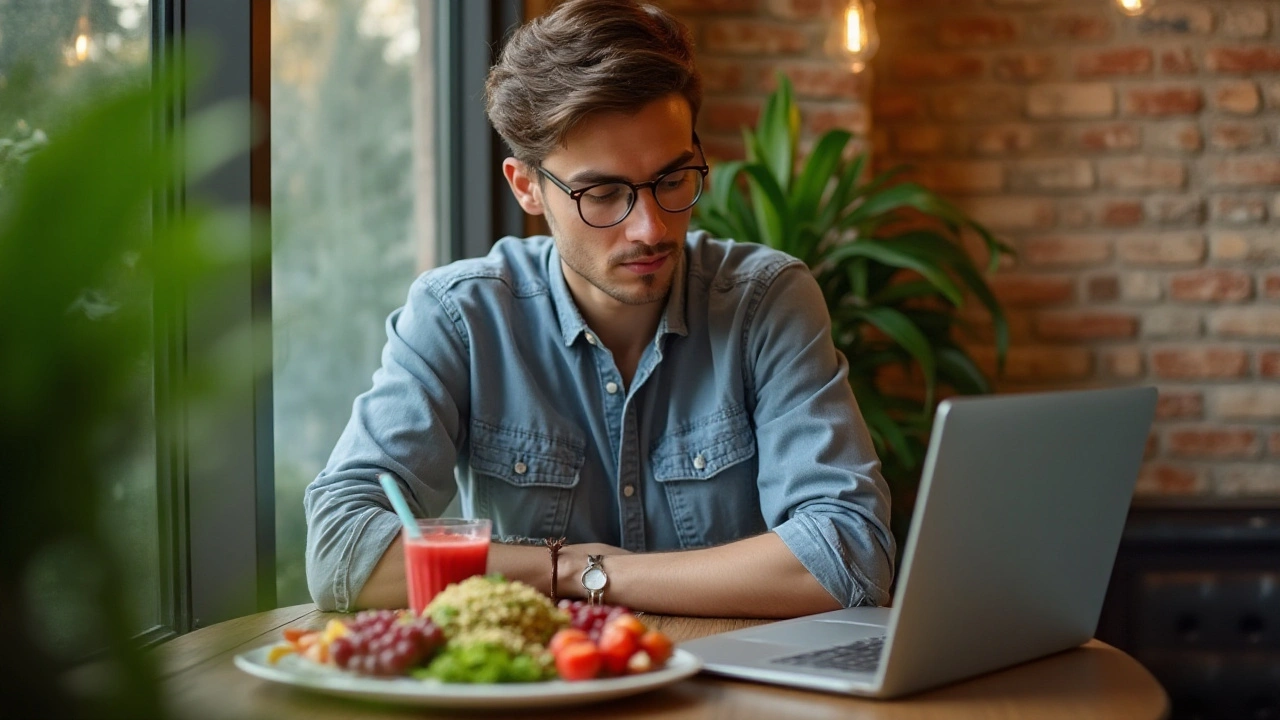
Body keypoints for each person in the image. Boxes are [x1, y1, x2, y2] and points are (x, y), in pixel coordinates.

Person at [304, 0, 895, 618]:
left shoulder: (764, 301)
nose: (651, 227)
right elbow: (343, 550)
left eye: (672, 181)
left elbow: (847, 558)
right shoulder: (460, 317)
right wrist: (564, 569)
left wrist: (589, 573)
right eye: (603, 192)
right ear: (526, 186)